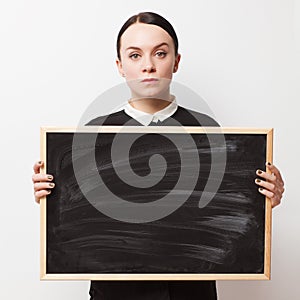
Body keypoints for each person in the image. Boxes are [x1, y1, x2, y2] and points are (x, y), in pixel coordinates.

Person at [32, 12, 285, 300]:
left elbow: (225, 215)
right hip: (116, 293)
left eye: (160, 53)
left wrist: (262, 200)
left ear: (176, 61)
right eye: (135, 55)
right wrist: (51, 197)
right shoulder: (91, 134)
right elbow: (77, 220)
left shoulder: (209, 131)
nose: (148, 66)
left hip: (190, 292)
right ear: (120, 66)